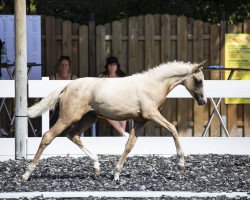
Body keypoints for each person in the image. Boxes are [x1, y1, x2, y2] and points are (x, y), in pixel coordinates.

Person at [99, 56, 129, 137]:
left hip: (120, 101)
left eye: (114, 64)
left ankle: (122, 134)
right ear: (107, 66)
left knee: (124, 111)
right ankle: (123, 133)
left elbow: (126, 90)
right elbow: (98, 90)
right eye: (110, 65)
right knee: (107, 113)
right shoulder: (103, 76)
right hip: (107, 102)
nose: (112, 67)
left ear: (117, 66)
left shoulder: (122, 76)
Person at [49, 56, 78, 127]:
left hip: (70, 105)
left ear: (69, 67)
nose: (63, 67)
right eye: (62, 65)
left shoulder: (74, 78)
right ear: (59, 66)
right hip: (56, 106)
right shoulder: (53, 78)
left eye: (66, 65)